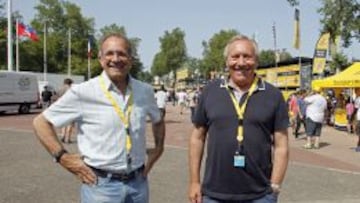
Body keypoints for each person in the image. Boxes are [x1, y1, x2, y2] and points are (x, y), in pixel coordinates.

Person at [33, 33, 165, 203]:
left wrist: (159, 148)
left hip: (138, 183)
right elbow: (40, 122)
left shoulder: (144, 91)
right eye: (109, 53)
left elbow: (158, 120)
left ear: (131, 59)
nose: (115, 59)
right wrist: (62, 157)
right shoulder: (83, 92)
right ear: (100, 59)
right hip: (100, 186)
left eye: (122, 53)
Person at [188, 35, 289, 203]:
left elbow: (281, 145)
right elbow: (197, 138)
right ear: (227, 61)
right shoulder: (210, 91)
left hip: (259, 195)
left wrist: (275, 187)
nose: (241, 63)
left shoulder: (273, 95)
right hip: (213, 195)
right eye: (235, 57)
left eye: (247, 57)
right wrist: (194, 182)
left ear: (256, 61)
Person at [58, 78, 75, 143]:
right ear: (70, 83)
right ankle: (68, 138)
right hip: (71, 108)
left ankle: (63, 136)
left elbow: (57, 98)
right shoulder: (72, 90)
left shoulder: (60, 89)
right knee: (70, 124)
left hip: (62, 108)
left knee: (64, 123)